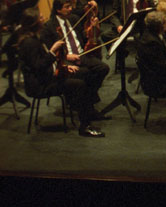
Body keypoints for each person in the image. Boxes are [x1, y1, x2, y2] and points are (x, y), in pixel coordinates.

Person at [16, 8, 105, 137]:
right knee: (79, 85)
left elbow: (43, 65)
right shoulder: (29, 43)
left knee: (85, 73)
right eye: (40, 18)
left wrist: (64, 67)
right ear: (34, 23)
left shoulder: (35, 38)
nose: (44, 19)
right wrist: (52, 51)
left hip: (46, 78)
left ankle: (87, 111)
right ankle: (84, 126)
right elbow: (38, 66)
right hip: (40, 85)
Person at [40, 0, 110, 109]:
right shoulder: (49, 26)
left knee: (103, 68)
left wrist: (92, 28)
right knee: (86, 73)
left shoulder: (74, 18)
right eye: (67, 7)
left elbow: (84, 36)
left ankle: (88, 97)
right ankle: (83, 103)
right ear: (58, 10)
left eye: (70, 6)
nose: (70, 9)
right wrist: (67, 56)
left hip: (81, 54)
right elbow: (49, 50)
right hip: (64, 59)